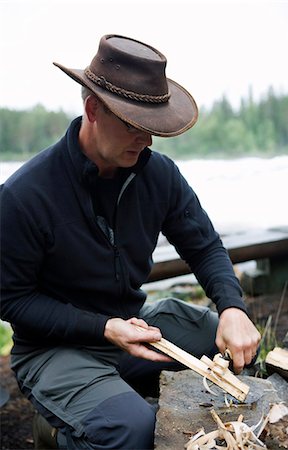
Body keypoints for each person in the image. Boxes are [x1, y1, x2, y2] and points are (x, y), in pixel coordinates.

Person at [0, 34, 260, 450]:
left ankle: (112, 395)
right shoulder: (24, 195)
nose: (148, 141)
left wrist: (232, 307)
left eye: (153, 128)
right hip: (55, 349)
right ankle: (55, 432)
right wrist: (104, 327)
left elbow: (204, 246)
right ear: (92, 110)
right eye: (135, 126)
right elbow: (11, 300)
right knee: (132, 430)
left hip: (136, 327)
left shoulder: (158, 174)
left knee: (231, 344)